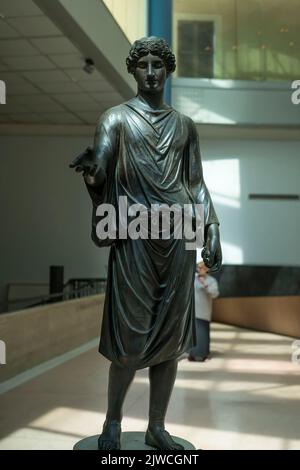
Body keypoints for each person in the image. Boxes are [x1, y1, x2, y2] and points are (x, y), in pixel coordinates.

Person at [70, 37, 222, 451]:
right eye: (144, 65)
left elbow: (195, 182)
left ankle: (157, 426)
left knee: (170, 340)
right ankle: (113, 422)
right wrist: (92, 172)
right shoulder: (115, 119)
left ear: (168, 69)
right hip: (134, 234)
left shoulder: (184, 126)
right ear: (133, 70)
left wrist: (211, 225)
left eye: (159, 64)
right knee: (128, 337)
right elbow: (101, 162)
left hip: (177, 236)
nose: (152, 72)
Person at [188, 261, 219, 362]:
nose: (199, 270)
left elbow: (215, 294)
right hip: (193, 312)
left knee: (203, 334)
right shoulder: (193, 279)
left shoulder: (211, 281)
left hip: (204, 312)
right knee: (192, 334)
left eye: (202, 268)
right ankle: (192, 354)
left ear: (207, 270)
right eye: (198, 268)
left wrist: (205, 285)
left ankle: (203, 354)